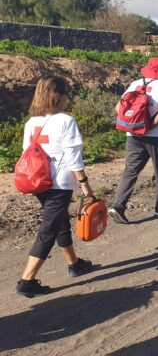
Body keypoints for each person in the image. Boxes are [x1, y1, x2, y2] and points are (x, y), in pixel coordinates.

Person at [16, 76, 95, 297]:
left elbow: (26, 152)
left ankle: (75, 264)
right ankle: (27, 281)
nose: (68, 97)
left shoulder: (31, 122)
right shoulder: (66, 121)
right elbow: (73, 158)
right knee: (48, 230)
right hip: (59, 184)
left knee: (59, 221)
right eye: (66, 93)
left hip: (37, 181)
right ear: (58, 96)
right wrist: (84, 184)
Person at [109, 57, 158, 224]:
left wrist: (135, 126)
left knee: (130, 170)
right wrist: (148, 127)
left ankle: (118, 206)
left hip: (133, 135)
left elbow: (118, 108)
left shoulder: (135, 84)